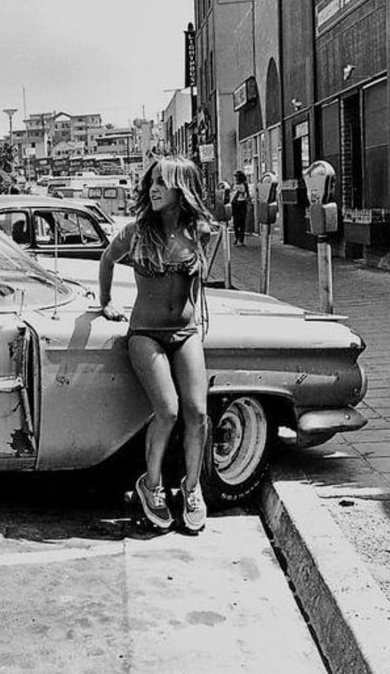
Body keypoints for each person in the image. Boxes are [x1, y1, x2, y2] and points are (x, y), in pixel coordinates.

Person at [97, 155, 214, 533]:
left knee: (197, 411)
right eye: (152, 182)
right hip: (145, 334)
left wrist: (199, 307)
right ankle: (151, 487)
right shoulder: (136, 231)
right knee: (167, 409)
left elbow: (197, 287)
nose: (154, 189)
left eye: (163, 182)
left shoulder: (200, 232)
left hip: (185, 333)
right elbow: (107, 260)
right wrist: (106, 302)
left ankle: (192, 488)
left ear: (183, 188)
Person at [231, 170, 250, 246]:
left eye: (236, 176)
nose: (235, 178)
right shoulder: (233, 185)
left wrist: (248, 200)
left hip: (242, 203)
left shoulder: (244, 184)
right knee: (236, 222)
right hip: (235, 203)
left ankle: (241, 239)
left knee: (242, 221)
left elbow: (246, 194)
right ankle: (237, 237)